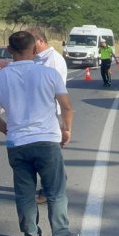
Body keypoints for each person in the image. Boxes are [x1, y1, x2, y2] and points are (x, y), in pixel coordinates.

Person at [0, 31, 79, 236]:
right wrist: (67, 130)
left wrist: (9, 130)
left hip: (18, 143)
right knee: (55, 190)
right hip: (47, 140)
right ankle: (60, 235)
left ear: (9, 51)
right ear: (35, 49)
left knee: (25, 192)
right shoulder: (49, 74)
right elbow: (66, 106)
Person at [27, 26, 68, 205]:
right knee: (50, 154)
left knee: (49, 154)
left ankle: (48, 189)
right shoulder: (37, 59)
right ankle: (58, 181)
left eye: (32, 43)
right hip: (39, 112)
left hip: (51, 113)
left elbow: (54, 90)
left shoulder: (53, 60)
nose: (29, 47)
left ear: (41, 41)